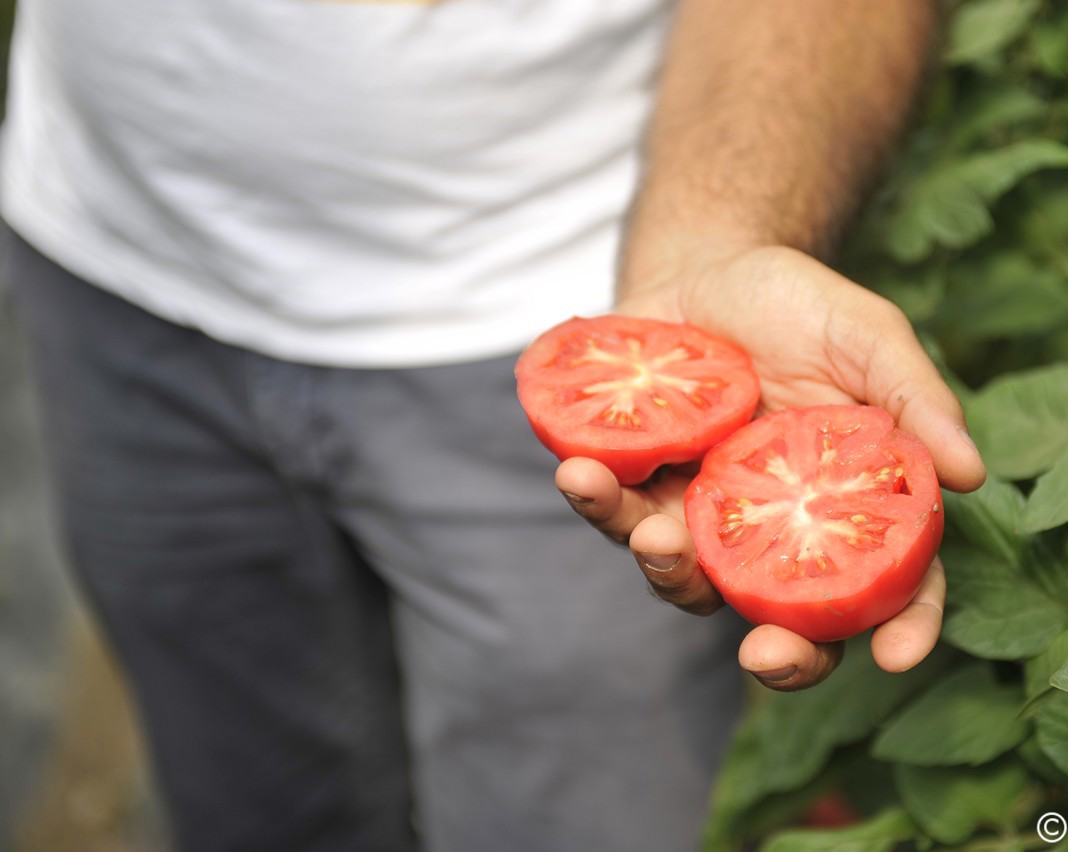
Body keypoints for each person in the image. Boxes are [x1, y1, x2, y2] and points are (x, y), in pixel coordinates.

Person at [1, 1, 986, 850]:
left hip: (568, 298)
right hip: (108, 262)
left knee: (577, 815)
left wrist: (713, 241)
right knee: (253, 802)